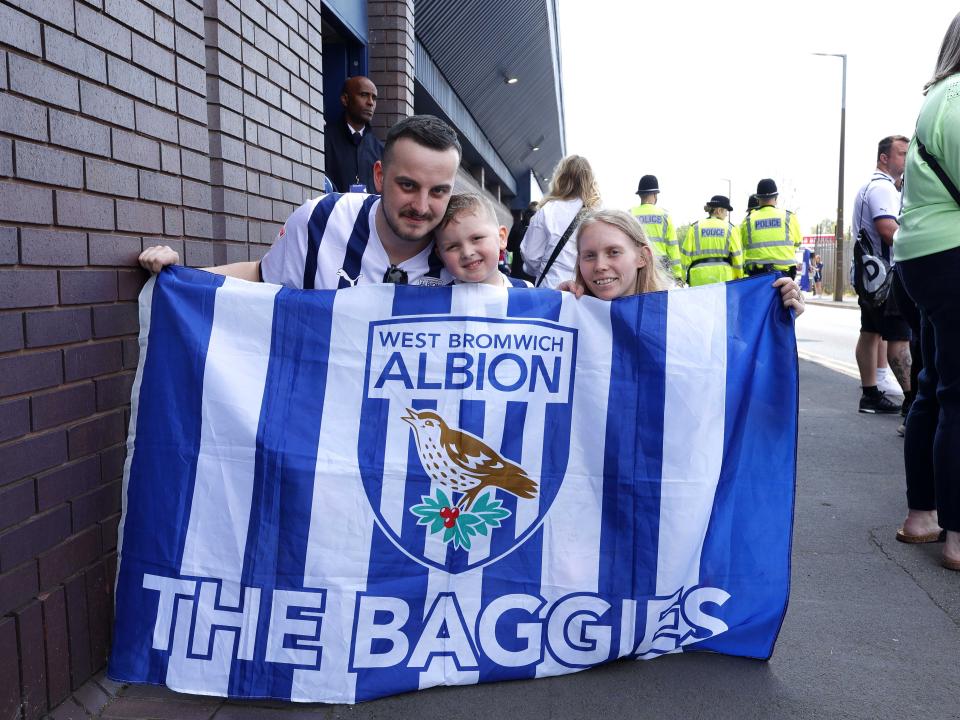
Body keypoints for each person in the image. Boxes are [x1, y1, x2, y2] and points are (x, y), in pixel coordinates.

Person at [139, 114, 461, 288]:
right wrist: (178, 275)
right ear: (379, 176)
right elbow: (261, 276)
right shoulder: (322, 219)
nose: (421, 206)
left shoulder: (464, 245)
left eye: (438, 191)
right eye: (407, 185)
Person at [894, 10, 960, 571]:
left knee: (935, 384)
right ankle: (958, 535)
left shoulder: (939, 96)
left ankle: (924, 516)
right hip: (953, 254)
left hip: (924, 255)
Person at [568, 209, 804, 317]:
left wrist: (775, 314)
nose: (600, 265)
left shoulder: (680, 315)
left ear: (643, 257)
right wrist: (553, 310)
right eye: (589, 255)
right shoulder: (569, 311)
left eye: (613, 252)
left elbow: (738, 359)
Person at [851, 135, 912, 414]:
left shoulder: (869, 187)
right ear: (884, 158)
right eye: (901, 153)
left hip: (869, 278)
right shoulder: (884, 189)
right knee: (899, 341)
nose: (906, 158)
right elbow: (888, 231)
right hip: (888, 278)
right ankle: (912, 400)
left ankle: (871, 395)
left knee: (870, 331)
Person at [520, 155, 601, 289]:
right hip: (588, 291)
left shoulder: (547, 211)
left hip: (551, 289)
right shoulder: (598, 213)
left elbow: (531, 256)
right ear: (590, 179)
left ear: (560, 178)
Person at [435, 193, 531, 288]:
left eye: (477, 238)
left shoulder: (527, 291)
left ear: (501, 238)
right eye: (452, 246)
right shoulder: (437, 300)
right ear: (440, 256)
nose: (467, 253)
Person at [323, 76, 384, 194]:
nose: (370, 102)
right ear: (345, 99)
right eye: (364, 95)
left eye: (374, 97)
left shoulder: (380, 150)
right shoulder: (325, 140)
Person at [739, 179, 801, 279]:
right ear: (776, 197)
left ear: (758, 199)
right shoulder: (789, 217)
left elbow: (742, 245)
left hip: (757, 277)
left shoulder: (748, 221)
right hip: (784, 276)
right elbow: (797, 242)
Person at [629, 175, 682, 284]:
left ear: (640, 195)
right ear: (654, 194)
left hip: (637, 269)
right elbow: (673, 247)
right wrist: (677, 275)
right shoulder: (664, 216)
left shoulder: (630, 214)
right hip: (660, 269)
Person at [680, 195, 743, 286]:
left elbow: (685, 256)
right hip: (723, 278)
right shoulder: (730, 229)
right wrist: (739, 277)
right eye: (726, 211)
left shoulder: (695, 228)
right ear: (719, 210)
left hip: (698, 279)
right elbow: (737, 258)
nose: (726, 214)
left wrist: (682, 278)